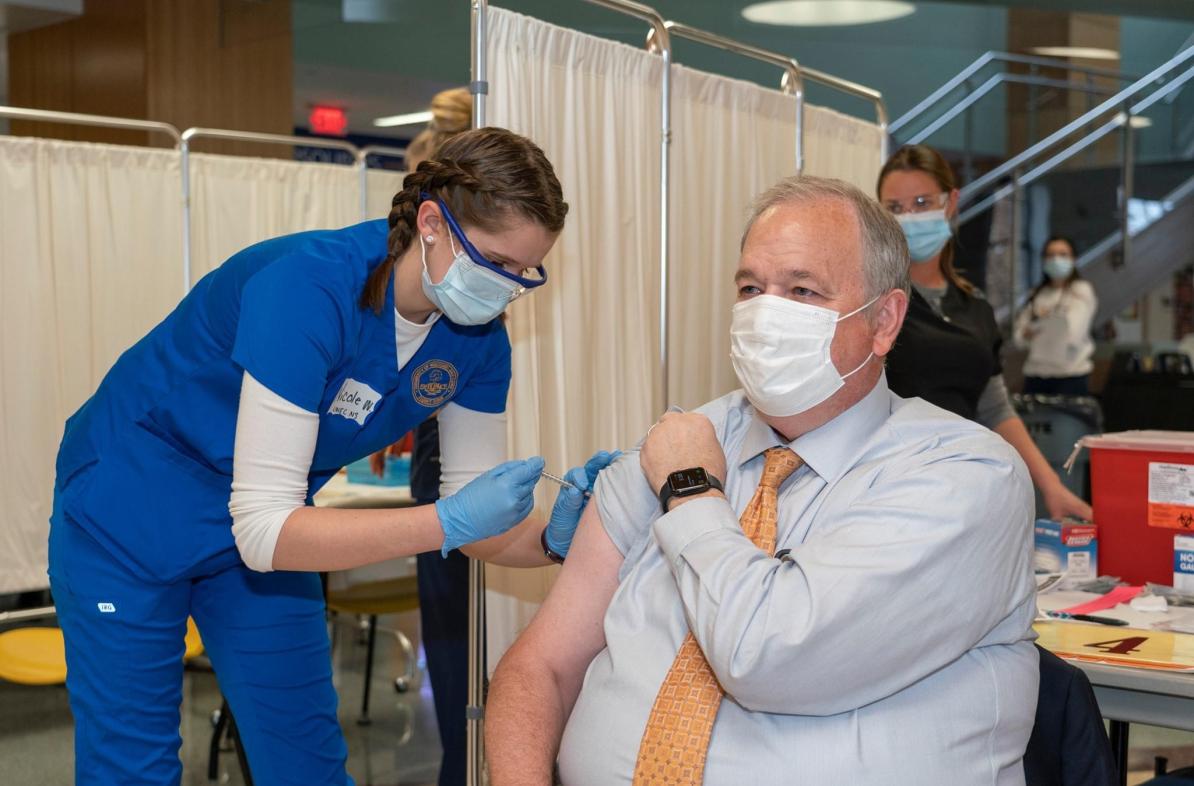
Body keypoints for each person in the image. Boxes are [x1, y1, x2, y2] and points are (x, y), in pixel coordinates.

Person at [48, 126, 614, 786]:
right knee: (133, 766)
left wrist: (555, 538)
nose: (507, 287)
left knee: (307, 760)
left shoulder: (478, 342)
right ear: (432, 222)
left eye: (525, 272)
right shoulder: (307, 289)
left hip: (267, 538)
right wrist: (448, 521)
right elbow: (272, 531)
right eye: (494, 262)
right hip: (129, 515)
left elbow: (476, 523)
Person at [485, 176, 1039, 785]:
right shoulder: (680, 441)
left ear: (884, 320)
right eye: (751, 288)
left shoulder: (962, 474)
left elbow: (769, 658)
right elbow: (541, 665)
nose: (765, 315)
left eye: (802, 290)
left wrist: (692, 493)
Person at [878, 144, 1092, 522]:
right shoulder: (873, 304)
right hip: (889, 490)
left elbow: (994, 407)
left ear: (951, 202)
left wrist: (1051, 486)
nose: (908, 217)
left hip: (963, 489)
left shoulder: (974, 305)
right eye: (894, 208)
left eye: (922, 202)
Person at [1013, 235, 1098, 396]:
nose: (1056, 260)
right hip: (1036, 375)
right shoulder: (1036, 294)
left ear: (1073, 258)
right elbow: (1019, 338)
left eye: (1063, 254)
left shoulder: (1081, 290)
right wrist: (1035, 328)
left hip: (1070, 376)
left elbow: (1073, 333)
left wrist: (1040, 325)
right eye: (1050, 255)